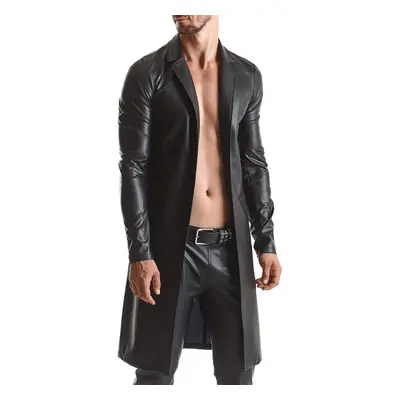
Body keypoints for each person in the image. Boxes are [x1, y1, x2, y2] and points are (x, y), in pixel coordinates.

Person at [117, 15, 282, 385]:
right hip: (169, 250)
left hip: (231, 251)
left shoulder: (247, 76)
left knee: (239, 374)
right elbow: (133, 167)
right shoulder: (146, 74)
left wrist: (266, 242)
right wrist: (139, 252)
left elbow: (254, 163)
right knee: (155, 373)